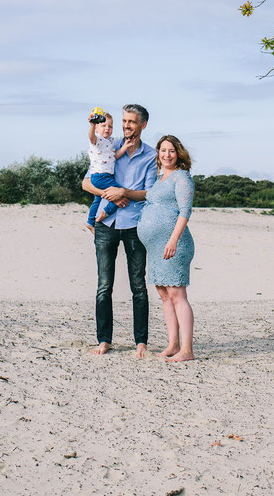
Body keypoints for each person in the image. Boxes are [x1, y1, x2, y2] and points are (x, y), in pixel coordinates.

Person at [81, 103, 157, 358]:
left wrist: (124, 193)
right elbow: (86, 183)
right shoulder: (107, 146)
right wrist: (109, 195)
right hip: (106, 225)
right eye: (124, 121)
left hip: (136, 224)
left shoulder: (151, 155)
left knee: (138, 285)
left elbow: (148, 193)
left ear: (143, 125)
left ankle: (141, 342)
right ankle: (104, 340)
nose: (126, 126)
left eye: (131, 122)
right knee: (104, 286)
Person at [138, 135, 196, 362]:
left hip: (174, 244)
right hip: (155, 248)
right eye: (163, 150)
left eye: (171, 151)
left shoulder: (182, 177)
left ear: (178, 153)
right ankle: (173, 344)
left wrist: (172, 240)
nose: (167, 155)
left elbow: (185, 212)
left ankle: (187, 350)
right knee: (164, 295)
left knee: (177, 295)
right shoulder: (159, 177)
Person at [84, 111, 132, 230]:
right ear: (96, 128)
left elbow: (114, 155)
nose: (107, 129)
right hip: (100, 176)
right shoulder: (98, 139)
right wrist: (91, 125)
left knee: (97, 198)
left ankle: (90, 222)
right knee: (121, 192)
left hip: (105, 176)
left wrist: (125, 147)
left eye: (110, 126)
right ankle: (106, 212)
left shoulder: (110, 141)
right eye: (103, 126)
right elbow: (91, 137)